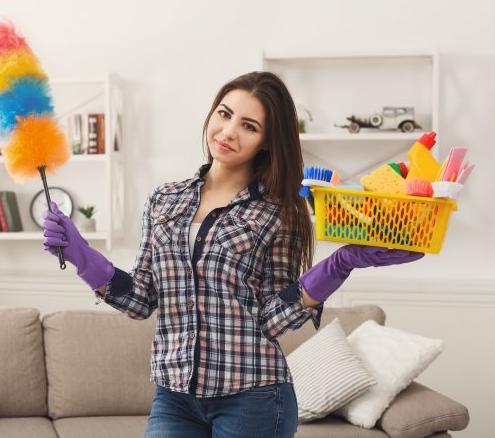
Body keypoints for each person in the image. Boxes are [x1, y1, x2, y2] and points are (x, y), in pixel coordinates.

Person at [42, 71, 423, 438]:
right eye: (224, 114)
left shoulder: (279, 213)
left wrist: (339, 265)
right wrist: (82, 255)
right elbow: (141, 299)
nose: (228, 131)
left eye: (249, 126)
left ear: (267, 142)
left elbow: (273, 318)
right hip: (175, 395)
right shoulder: (163, 200)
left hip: (253, 396)